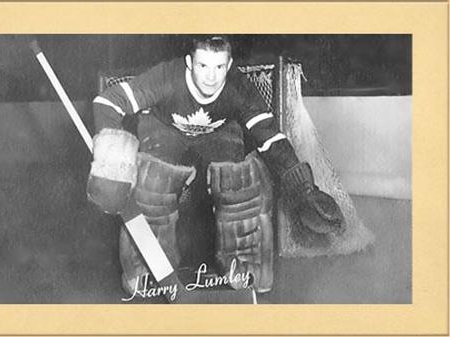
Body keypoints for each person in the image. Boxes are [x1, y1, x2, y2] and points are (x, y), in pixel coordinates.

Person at [87, 36, 344, 295]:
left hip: (219, 132)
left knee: (240, 181)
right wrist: (111, 158)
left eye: (219, 67)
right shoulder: (166, 77)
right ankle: (149, 264)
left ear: (229, 64)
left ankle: (240, 260)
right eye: (203, 66)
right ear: (189, 63)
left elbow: (270, 137)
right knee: (152, 182)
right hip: (164, 128)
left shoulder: (239, 88)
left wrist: (303, 189)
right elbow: (108, 102)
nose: (211, 77)